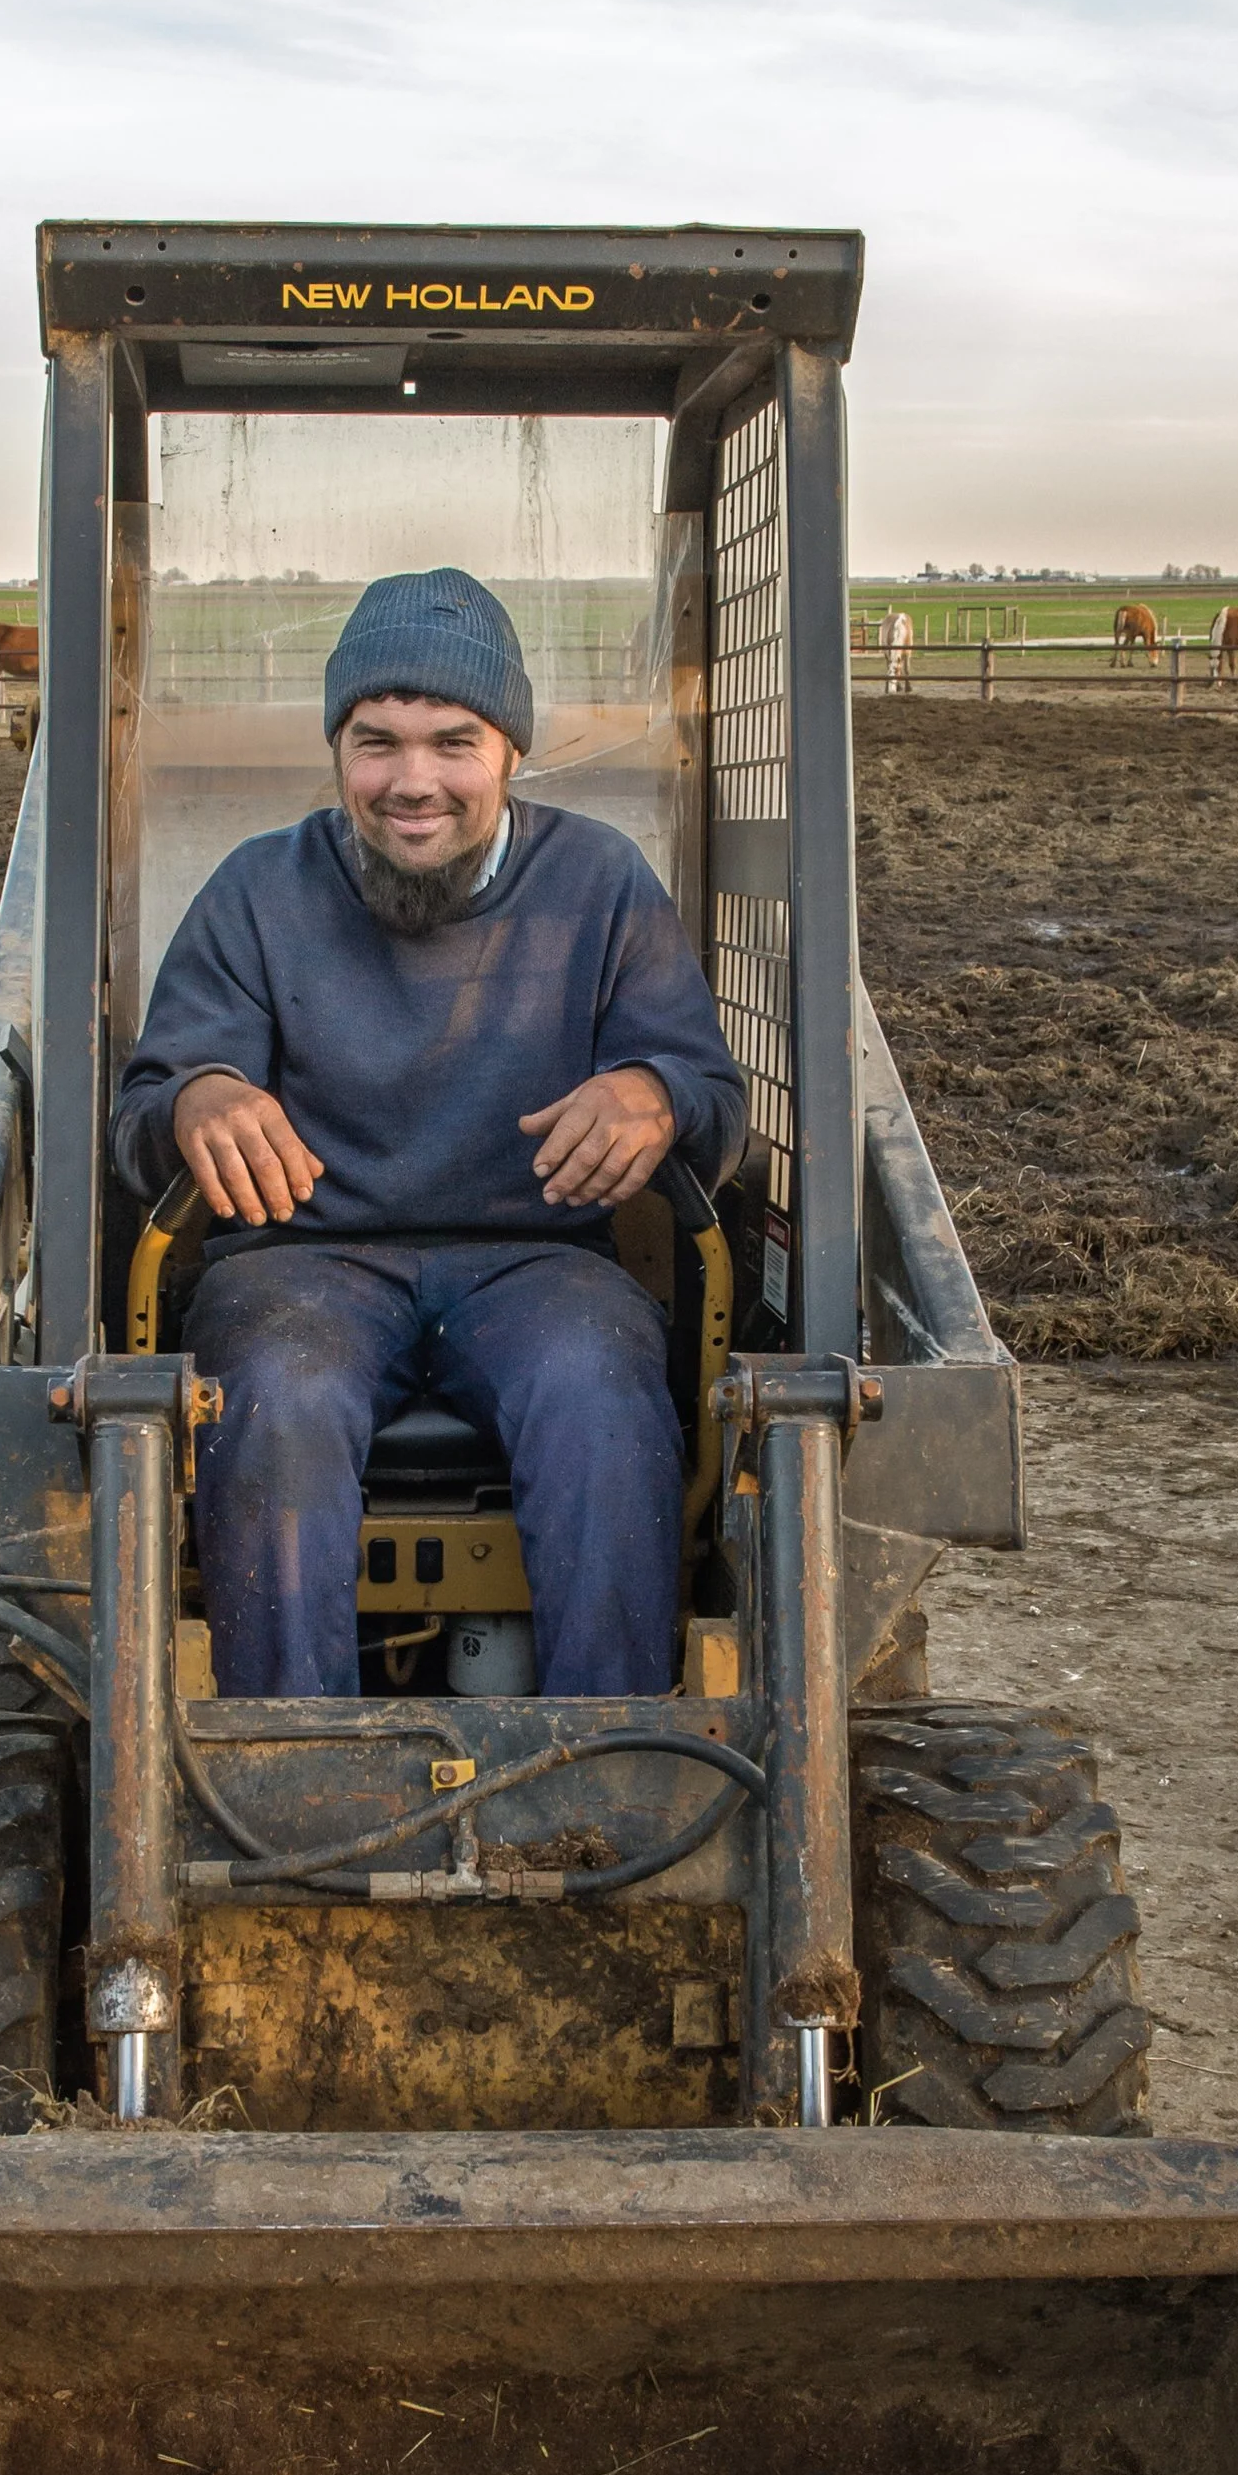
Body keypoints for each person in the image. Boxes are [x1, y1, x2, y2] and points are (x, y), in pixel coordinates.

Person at [111, 565, 748, 1698]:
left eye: (453, 741)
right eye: (377, 741)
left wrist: (654, 1090)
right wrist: (197, 1099)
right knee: (277, 1390)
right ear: (336, 748)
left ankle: (607, 1776)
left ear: (510, 749)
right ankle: (287, 1771)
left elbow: (707, 1098)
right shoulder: (257, 890)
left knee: (600, 1385)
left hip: (540, 1261)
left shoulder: (600, 885)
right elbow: (150, 1109)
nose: (413, 780)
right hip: (302, 1266)